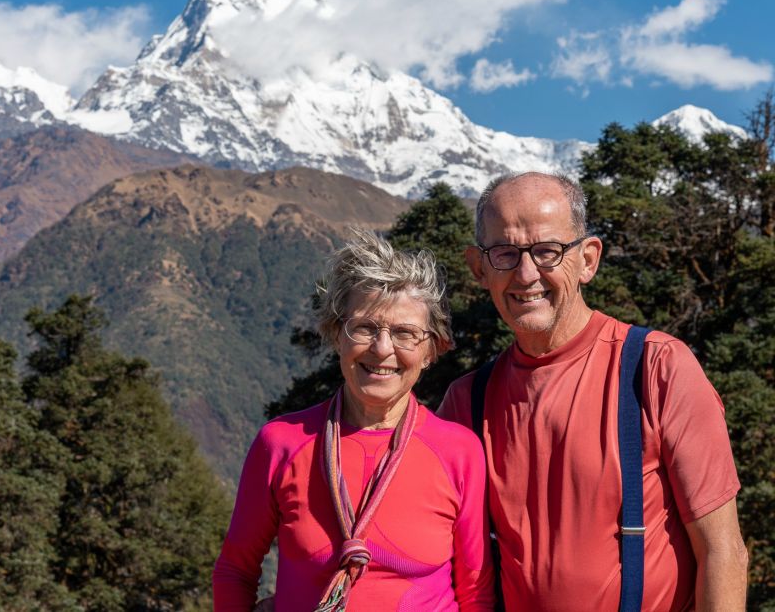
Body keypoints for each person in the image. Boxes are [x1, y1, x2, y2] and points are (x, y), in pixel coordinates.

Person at [437, 172, 749, 611]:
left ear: (587, 260)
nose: (526, 274)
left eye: (547, 251)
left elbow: (723, 553)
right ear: (479, 268)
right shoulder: (465, 402)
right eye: (505, 253)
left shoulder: (657, 368)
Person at [213, 230, 495, 611]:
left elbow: (475, 591)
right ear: (336, 335)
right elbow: (235, 570)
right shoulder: (282, 443)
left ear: (432, 349)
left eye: (405, 333)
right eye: (364, 327)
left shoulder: (458, 452)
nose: (382, 349)